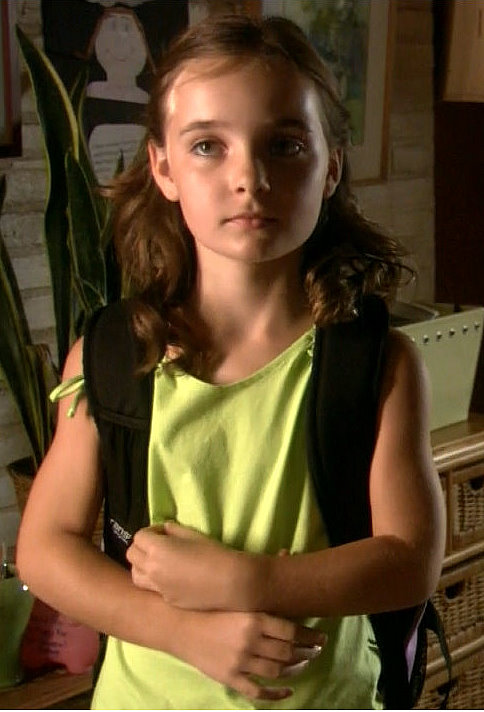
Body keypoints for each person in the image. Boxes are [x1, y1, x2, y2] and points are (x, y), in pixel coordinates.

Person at [16, 13, 445, 710]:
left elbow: (410, 561)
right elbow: (45, 547)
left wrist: (243, 582)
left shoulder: (378, 365)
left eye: (285, 144)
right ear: (163, 167)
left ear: (332, 165)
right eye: (208, 145)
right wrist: (182, 631)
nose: (249, 177)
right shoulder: (114, 354)